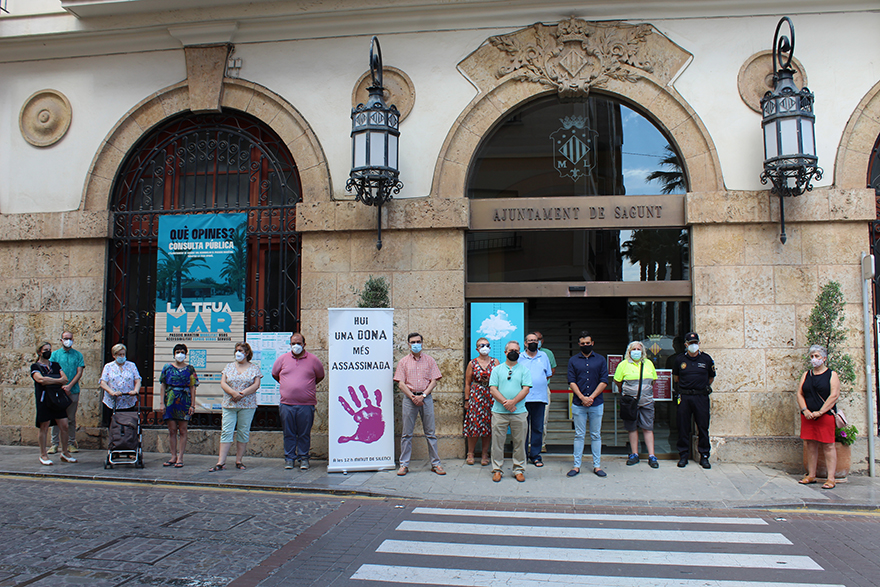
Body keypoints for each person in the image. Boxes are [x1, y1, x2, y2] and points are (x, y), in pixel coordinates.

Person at [272, 332, 325, 470]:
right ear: (290, 345)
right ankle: (289, 458)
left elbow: (320, 376)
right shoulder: (282, 359)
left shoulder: (313, 360)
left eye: (298, 343)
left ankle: (304, 458)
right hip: (286, 404)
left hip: (306, 405)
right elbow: (274, 374)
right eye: (293, 343)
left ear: (304, 344)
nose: (296, 346)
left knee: (304, 433)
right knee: (288, 433)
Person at [395, 332, 445, 476]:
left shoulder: (430, 361)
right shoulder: (403, 362)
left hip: (426, 399)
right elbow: (401, 383)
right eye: (413, 342)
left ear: (422, 343)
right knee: (406, 434)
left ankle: (436, 464)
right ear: (408, 344)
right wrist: (412, 397)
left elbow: (434, 381)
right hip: (409, 400)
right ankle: (404, 465)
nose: (415, 344)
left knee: (430, 433)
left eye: (418, 341)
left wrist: (423, 396)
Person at [210, 342, 262, 472]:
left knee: (243, 431)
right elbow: (223, 382)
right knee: (226, 431)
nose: (237, 353)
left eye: (240, 350)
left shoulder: (254, 368)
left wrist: (242, 394)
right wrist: (233, 393)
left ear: (247, 353)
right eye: (236, 350)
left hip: (247, 405)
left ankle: (239, 460)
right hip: (229, 404)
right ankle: (221, 462)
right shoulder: (229, 367)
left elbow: (256, 385)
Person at [796, 345, 841, 490]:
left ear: (824, 358)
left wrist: (820, 412)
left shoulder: (831, 375)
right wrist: (805, 410)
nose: (814, 359)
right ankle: (811, 474)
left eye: (817, 356)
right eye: (812, 356)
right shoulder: (806, 375)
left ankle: (831, 478)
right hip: (808, 416)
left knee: (828, 445)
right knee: (810, 445)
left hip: (824, 415)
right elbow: (800, 393)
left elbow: (834, 395)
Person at [488, 340, 532, 482]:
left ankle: (518, 469)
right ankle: (497, 469)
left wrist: (513, 402)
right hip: (499, 412)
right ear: (505, 352)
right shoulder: (497, 370)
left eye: (517, 351)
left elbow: (526, 389)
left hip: (519, 412)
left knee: (519, 442)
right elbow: (493, 389)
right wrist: (506, 403)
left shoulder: (524, 370)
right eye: (511, 350)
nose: (514, 353)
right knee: (497, 443)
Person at [567, 330, 609, 477]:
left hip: (596, 403)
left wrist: (591, 397)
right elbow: (571, 381)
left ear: (592, 343)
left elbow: (604, 380)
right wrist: (582, 397)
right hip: (579, 403)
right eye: (583, 343)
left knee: (596, 435)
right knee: (579, 435)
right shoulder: (573, 360)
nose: (585, 345)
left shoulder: (601, 360)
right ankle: (576, 465)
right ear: (579, 344)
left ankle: (597, 466)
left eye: (588, 343)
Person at [672, 332, 716, 469]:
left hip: (700, 397)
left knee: (703, 427)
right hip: (685, 397)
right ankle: (683, 455)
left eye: (695, 343)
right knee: (683, 426)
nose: (693, 345)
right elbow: (676, 378)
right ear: (686, 345)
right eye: (690, 343)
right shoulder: (679, 360)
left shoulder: (706, 359)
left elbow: (711, 377)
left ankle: (704, 456)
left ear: (699, 344)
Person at [614, 341, 659, 469]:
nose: (636, 351)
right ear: (629, 351)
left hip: (647, 402)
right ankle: (634, 454)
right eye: (634, 349)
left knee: (648, 428)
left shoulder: (648, 363)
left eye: (639, 349)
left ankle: (651, 455)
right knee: (632, 428)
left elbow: (653, 380)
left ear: (643, 351)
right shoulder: (623, 365)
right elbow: (618, 381)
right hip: (630, 403)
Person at [31, 341, 76, 465]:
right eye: (45, 350)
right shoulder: (36, 366)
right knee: (44, 427)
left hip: (57, 399)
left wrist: (49, 380)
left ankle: (65, 452)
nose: (48, 352)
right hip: (44, 399)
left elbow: (65, 379)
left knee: (64, 425)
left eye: (49, 349)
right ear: (40, 351)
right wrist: (57, 380)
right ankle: (43, 454)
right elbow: (40, 380)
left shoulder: (55, 365)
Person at [158, 344, 199, 468]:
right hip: (170, 400)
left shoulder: (190, 369)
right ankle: (173, 456)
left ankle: (180, 457)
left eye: (182, 352)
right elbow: (163, 385)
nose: (179, 354)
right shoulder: (167, 367)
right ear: (173, 353)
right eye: (177, 352)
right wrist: (161, 403)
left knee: (183, 430)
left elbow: (193, 387)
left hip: (184, 401)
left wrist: (192, 405)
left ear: (186, 354)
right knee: (171, 430)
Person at [48, 330, 85, 454]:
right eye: (65, 338)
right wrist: (61, 385)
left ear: (73, 340)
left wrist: (69, 386)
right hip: (58, 391)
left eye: (70, 338)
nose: (68, 340)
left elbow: (79, 372)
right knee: (56, 418)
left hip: (73, 391)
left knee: (70, 418)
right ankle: (54, 444)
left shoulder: (78, 355)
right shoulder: (55, 355)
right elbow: (52, 371)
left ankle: (71, 443)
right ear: (61, 340)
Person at [519, 332, 552, 467]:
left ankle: (535, 455)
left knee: (538, 427)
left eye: (536, 340)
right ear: (526, 343)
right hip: (523, 399)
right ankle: (522, 455)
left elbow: (548, 374)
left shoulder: (543, 356)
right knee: (523, 428)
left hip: (540, 398)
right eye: (530, 340)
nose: (533, 342)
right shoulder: (520, 357)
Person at [463, 337, 497, 466]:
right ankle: (470, 453)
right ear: (477, 348)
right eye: (481, 345)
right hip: (476, 394)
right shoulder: (472, 363)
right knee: (474, 424)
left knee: (488, 425)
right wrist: (467, 400)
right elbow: (467, 383)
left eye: (487, 345)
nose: (485, 347)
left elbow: (499, 380)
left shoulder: (495, 362)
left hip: (491, 395)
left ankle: (484, 453)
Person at [100, 343, 141, 426]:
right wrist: (112, 392)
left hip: (128, 401)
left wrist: (135, 391)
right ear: (114, 355)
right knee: (113, 426)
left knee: (128, 425)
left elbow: (138, 380)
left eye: (123, 354)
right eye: (119, 355)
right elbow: (103, 383)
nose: (122, 356)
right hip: (112, 402)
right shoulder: (108, 366)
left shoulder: (131, 365)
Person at [535, 331, 556, 453]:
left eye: (539, 339)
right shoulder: (523, 354)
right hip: (527, 391)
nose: (536, 342)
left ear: (542, 341)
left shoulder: (547, 353)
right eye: (533, 339)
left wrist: (541, 380)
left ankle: (541, 444)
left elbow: (552, 370)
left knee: (543, 418)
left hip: (543, 389)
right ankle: (527, 444)